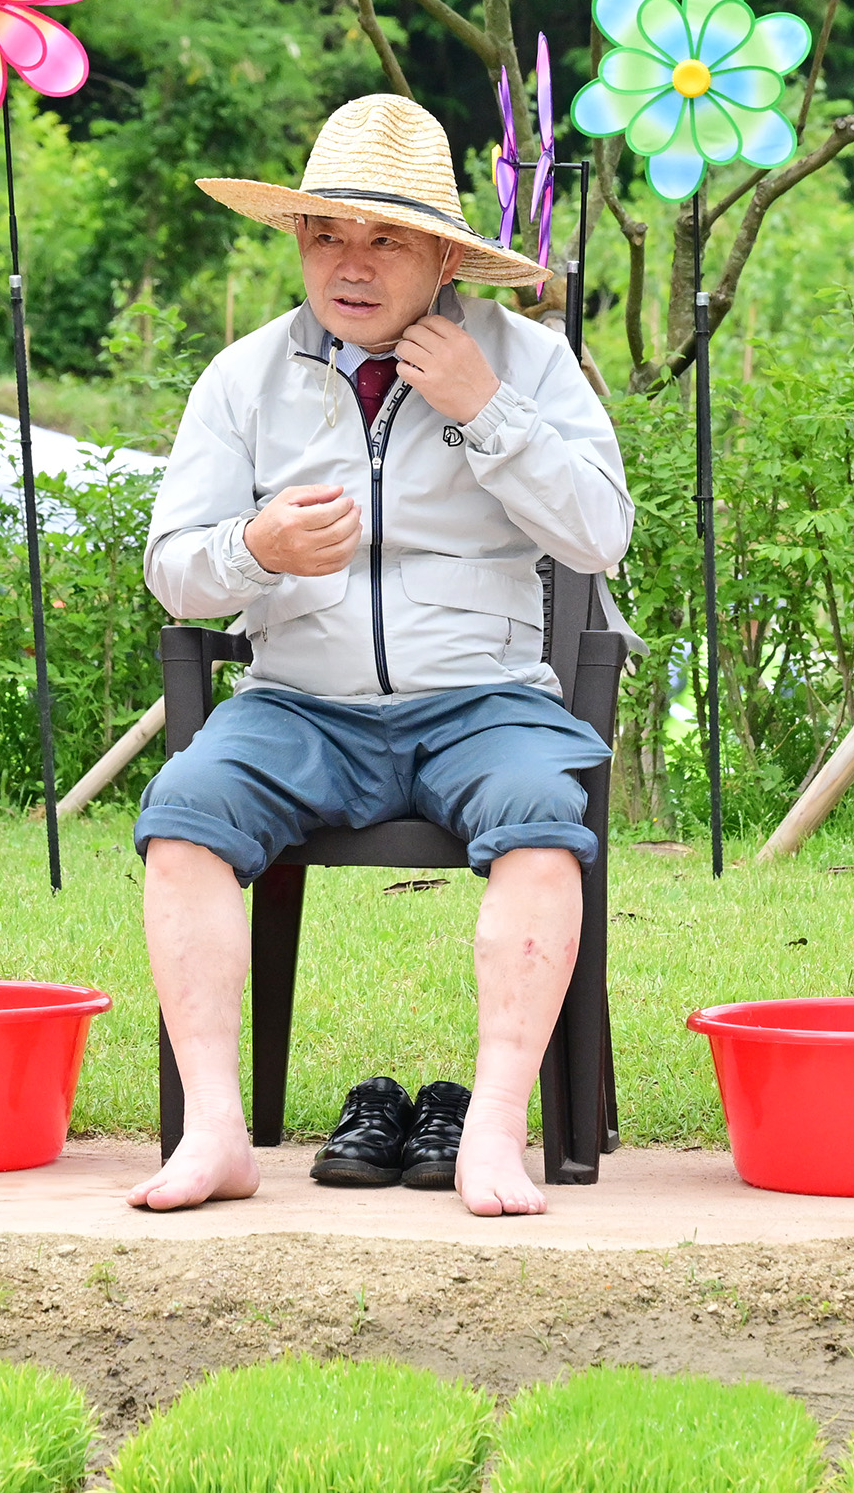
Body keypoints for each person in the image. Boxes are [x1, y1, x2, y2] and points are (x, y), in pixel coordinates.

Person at [131, 94, 633, 1219]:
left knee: (545, 830)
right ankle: (216, 1131)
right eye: (325, 234)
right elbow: (174, 570)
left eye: (383, 237)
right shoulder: (244, 377)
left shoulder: (528, 361)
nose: (348, 264)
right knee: (182, 815)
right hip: (299, 704)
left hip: (486, 701)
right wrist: (255, 550)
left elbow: (600, 533)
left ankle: (494, 1131)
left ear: (446, 253)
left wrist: (486, 410)